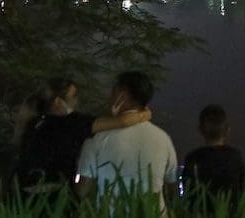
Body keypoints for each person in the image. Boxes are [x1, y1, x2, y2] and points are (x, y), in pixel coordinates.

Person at [13, 78, 151, 193]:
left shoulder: (35, 123)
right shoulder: (75, 123)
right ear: (58, 102)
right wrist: (145, 114)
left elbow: (84, 182)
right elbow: (123, 121)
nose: (77, 100)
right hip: (51, 199)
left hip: (21, 196)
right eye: (74, 96)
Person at [76, 72, 177, 214]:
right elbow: (171, 186)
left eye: (113, 91)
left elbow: (82, 190)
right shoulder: (163, 138)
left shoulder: (97, 138)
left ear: (121, 95)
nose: (109, 96)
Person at [182, 105, 245, 212]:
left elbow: (188, 193)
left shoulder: (193, 159)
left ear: (200, 131)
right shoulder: (235, 156)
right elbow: (240, 189)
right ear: (227, 131)